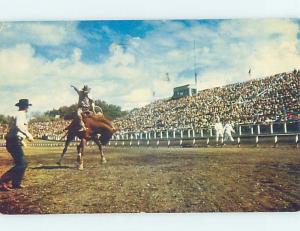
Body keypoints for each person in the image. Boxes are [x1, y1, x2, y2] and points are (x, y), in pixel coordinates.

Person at [0, 99, 34, 191]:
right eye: (27, 106)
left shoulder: (20, 114)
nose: (28, 108)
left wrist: (21, 139)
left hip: (14, 140)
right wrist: (28, 135)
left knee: (21, 163)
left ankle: (16, 183)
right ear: (26, 107)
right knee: (22, 163)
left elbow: (15, 129)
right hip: (13, 141)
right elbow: (19, 126)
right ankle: (3, 180)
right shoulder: (21, 114)